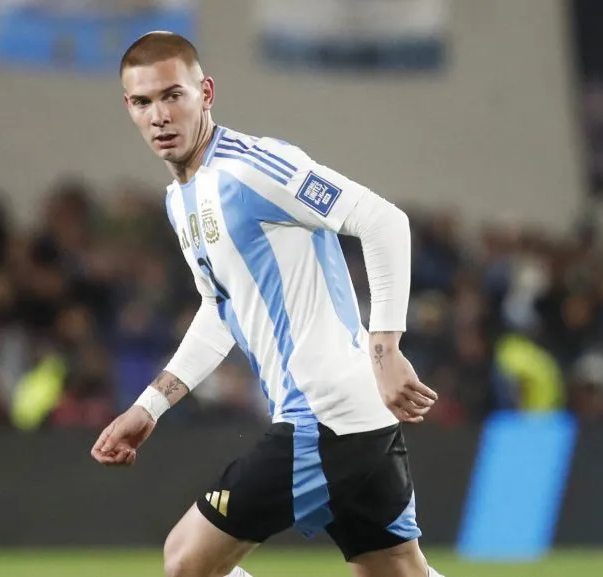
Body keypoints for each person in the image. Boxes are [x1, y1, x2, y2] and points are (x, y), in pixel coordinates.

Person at [90, 31, 444, 577]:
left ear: (205, 92)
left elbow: (383, 221)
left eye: (172, 95)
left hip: (325, 414)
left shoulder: (253, 168)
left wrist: (386, 348)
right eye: (143, 102)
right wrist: (150, 406)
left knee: (187, 562)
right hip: (353, 421)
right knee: (396, 571)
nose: (159, 115)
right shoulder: (180, 199)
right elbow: (219, 309)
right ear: (127, 107)